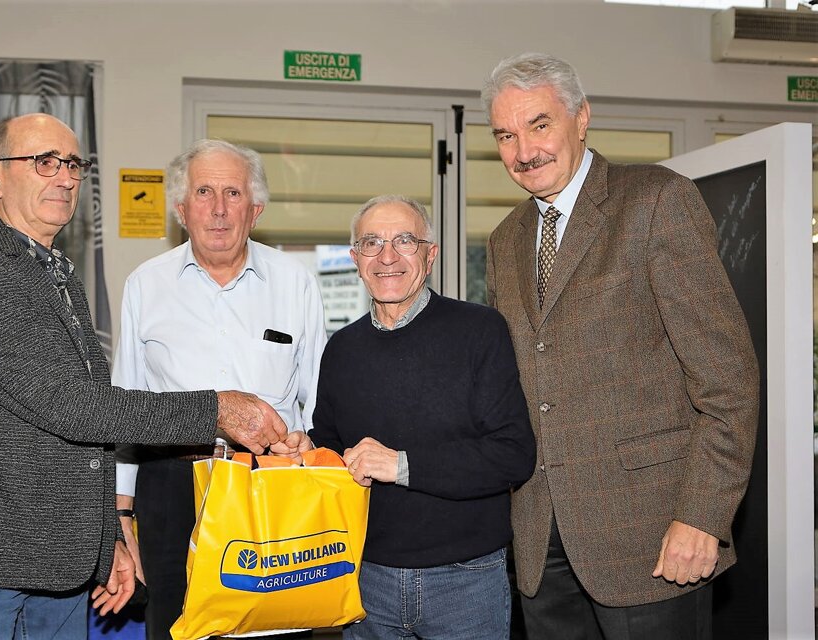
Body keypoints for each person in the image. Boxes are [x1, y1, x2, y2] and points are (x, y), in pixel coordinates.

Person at [0, 114, 289, 640]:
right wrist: (216, 408)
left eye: (72, 164)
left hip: (57, 561)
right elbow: (73, 407)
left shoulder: (57, 276)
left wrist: (108, 538)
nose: (65, 177)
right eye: (44, 162)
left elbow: (82, 438)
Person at [482, 53, 759, 639]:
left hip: (653, 536)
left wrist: (702, 516)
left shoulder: (656, 201)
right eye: (506, 135)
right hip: (540, 541)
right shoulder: (506, 240)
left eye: (539, 125)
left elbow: (728, 380)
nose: (524, 151)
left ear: (582, 117)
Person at [113, 139, 327, 640]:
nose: (218, 209)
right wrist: (121, 515)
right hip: (171, 489)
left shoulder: (295, 282)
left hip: (270, 485)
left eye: (233, 193)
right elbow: (123, 406)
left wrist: (313, 454)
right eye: (203, 192)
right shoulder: (145, 284)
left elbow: (321, 397)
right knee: (177, 627)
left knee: (279, 628)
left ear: (255, 210)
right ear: (180, 208)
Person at [298, 195, 535, 639]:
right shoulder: (341, 349)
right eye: (372, 243)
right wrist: (305, 452)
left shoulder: (480, 331)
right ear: (355, 259)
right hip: (365, 577)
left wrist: (402, 465)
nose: (387, 256)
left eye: (405, 241)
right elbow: (333, 451)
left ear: (431, 255)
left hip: (466, 581)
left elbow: (513, 455)